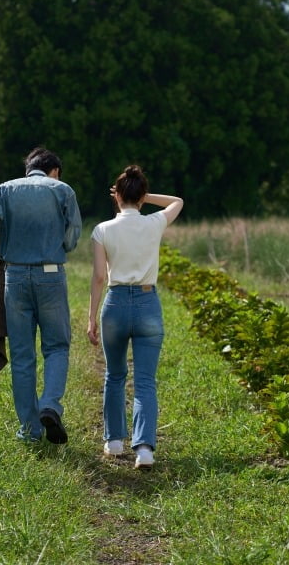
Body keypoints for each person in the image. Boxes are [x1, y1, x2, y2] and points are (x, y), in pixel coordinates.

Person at [0, 146, 82, 444]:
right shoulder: (62, 190)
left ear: (28, 168)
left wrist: (3, 240)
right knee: (57, 347)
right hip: (51, 274)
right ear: (55, 170)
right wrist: (55, 243)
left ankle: (29, 430)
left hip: (15, 275)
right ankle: (50, 405)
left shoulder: (4, 190)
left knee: (23, 355)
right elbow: (73, 237)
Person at [86, 165, 183, 470]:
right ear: (141, 196)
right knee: (144, 381)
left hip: (114, 305)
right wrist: (143, 196)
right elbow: (177, 202)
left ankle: (114, 442)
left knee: (114, 375)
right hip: (146, 303)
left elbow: (100, 276)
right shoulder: (154, 222)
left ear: (116, 197)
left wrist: (91, 318)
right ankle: (144, 450)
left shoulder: (102, 230)